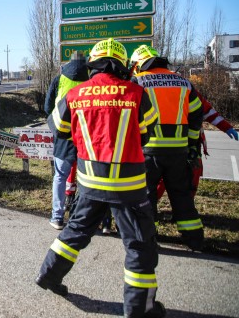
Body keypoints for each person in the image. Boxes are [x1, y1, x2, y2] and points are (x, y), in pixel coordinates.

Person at [36, 38, 164, 318]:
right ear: (121, 65)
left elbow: (57, 128)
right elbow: (148, 133)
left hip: (89, 182)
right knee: (139, 245)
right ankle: (139, 309)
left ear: (93, 64)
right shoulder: (136, 93)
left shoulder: (77, 93)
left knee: (75, 232)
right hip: (129, 187)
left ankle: (48, 274)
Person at [129, 45, 204, 251]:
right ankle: (194, 239)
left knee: (146, 196)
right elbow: (197, 114)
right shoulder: (183, 81)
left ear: (138, 64)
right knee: (181, 194)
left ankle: (148, 239)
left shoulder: (139, 81)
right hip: (178, 152)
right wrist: (191, 145)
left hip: (148, 151)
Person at [157, 93, 238, 200]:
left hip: (191, 144)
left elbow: (208, 111)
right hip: (165, 144)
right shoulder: (182, 87)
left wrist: (226, 127)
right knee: (162, 178)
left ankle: (185, 208)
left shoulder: (187, 89)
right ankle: (149, 209)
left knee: (192, 176)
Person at [44, 51, 89, 229]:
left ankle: (57, 217)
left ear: (69, 62)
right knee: (86, 179)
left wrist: (56, 126)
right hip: (85, 136)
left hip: (63, 136)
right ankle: (82, 217)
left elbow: (48, 107)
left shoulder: (59, 79)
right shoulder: (91, 80)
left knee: (60, 177)